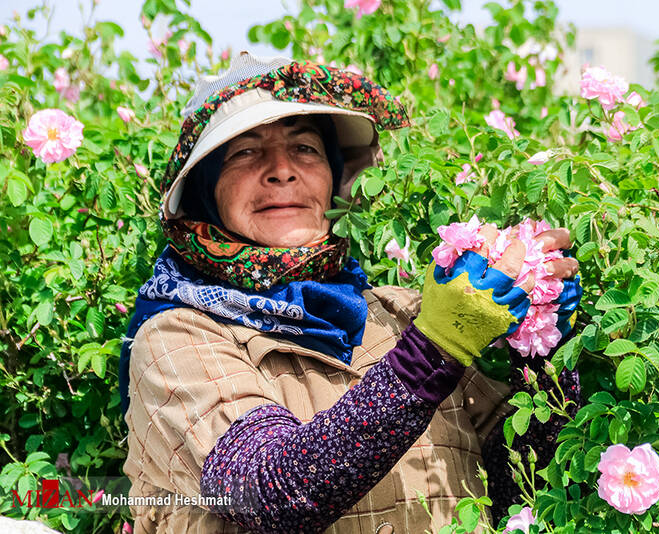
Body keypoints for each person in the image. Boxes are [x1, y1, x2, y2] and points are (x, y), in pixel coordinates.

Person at [120, 53, 583, 534]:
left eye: (304, 148)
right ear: (205, 190)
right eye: (244, 152)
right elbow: (272, 494)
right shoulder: (175, 338)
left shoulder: (400, 315)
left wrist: (545, 357)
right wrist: (436, 349)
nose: (282, 171)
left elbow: (514, 488)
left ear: (335, 177)